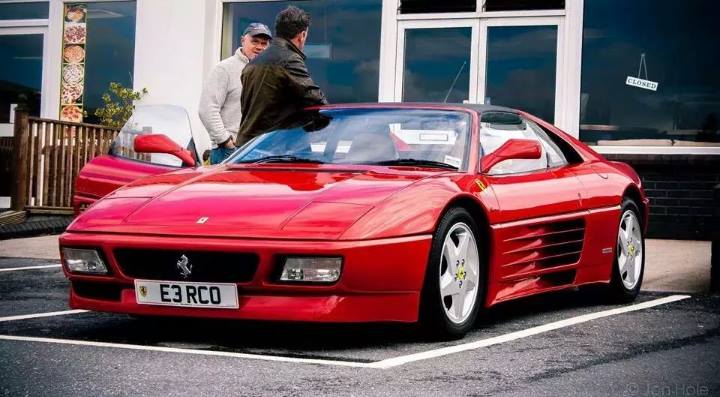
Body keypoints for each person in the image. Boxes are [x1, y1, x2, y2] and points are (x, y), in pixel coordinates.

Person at [237, 6, 328, 146]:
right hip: (274, 149)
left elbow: (249, 108)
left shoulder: (251, 65)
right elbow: (316, 101)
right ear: (302, 35)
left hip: (246, 148)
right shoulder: (289, 59)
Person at [199, 22, 272, 164]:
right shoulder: (224, 69)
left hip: (261, 151)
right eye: (254, 41)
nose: (259, 47)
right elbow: (207, 109)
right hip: (229, 152)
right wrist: (225, 141)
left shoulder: (268, 72)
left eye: (264, 43)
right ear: (242, 40)